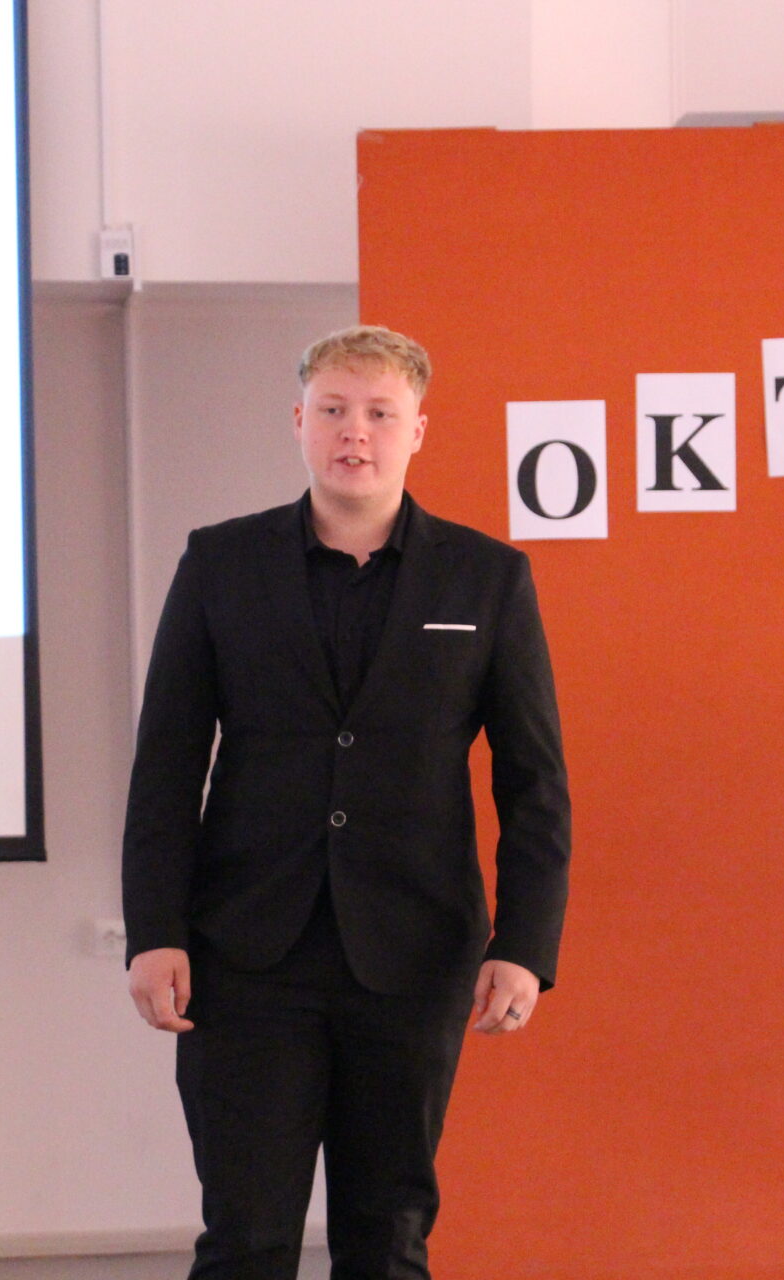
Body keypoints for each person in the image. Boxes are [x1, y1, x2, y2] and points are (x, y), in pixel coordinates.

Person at [120, 324, 570, 1280]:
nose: (354, 432)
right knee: (244, 1239)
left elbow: (534, 781)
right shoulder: (220, 563)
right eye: (332, 410)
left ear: (418, 431)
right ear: (298, 421)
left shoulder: (487, 576)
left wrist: (526, 944)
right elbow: (165, 764)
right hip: (244, 954)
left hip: (415, 955)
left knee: (389, 1240)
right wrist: (154, 930)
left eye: (379, 413)